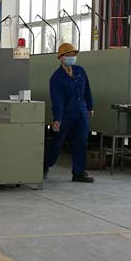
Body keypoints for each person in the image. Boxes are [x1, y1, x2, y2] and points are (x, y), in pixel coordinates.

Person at [44, 43, 95, 183]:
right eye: (69, 55)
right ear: (61, 57)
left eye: (73, 55)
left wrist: (90, 107)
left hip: (81, 114)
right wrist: (57, 119)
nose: (72, 57)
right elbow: (57, 100)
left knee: (81, 142)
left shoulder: (80, 71)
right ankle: (44, 165)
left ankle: (79, 172)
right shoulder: (56, 78)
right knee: (57, 143)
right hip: (65, 116)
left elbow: (87, 90)